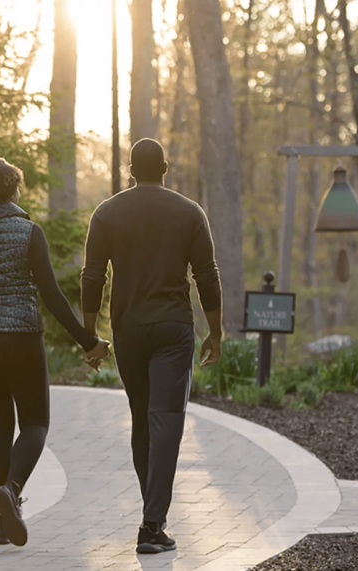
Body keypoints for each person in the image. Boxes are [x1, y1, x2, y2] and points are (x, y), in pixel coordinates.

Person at [0, 156, 111, 547]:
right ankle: (12, 490)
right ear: (11, 188)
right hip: (19, 335)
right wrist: (89, 342)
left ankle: (2, 525)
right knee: (35, 423)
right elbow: (51, 295)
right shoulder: (28, 232)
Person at [80, 139, 222, 554]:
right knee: (165, 421)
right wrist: (216, 331)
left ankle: (152, 516)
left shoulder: (106, 214)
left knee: (143, 421)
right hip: (174, 329)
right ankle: (152, 522)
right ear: (165, 168)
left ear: (129, 170)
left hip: (129, 331)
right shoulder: (189, 212)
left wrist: (90, 336)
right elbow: (207, 276)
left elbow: (92, 277)